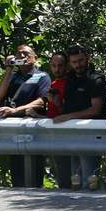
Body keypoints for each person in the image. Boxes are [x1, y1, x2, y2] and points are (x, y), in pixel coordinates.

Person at [0, 44, 51, 187]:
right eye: (19, 54)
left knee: (34, 166)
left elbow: (42, 101)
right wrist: (8, 70)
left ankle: (35, 192)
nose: (22, 57)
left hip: (32, 129)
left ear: (35, 58)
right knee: (17, 168)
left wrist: (15, 110)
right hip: (13, 129)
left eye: (26, 53)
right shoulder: (12, 76)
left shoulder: (42, 76)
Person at [55, 44, 106, 190]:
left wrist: (68, 117)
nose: (78, 65)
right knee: (76, 179)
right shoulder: (70, 79)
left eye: (81, 61)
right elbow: (69, 107)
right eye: (74, 62)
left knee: (89, 180)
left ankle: (91, 204)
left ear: (87, 58)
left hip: (91, 135)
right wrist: (59, 105)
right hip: (73, 134)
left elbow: (96, 109)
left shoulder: (96, 79)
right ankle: (77, 206)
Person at [44, 52, 72, 189]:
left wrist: (58, 103)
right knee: (60, 170)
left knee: (66, 171)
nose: (57, 69)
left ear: (66, 66)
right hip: (53, 132)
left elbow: (68, 113)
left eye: (60, 65)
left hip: (66, 133)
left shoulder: (70, 84)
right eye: (54, 66)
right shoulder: (53, 83)